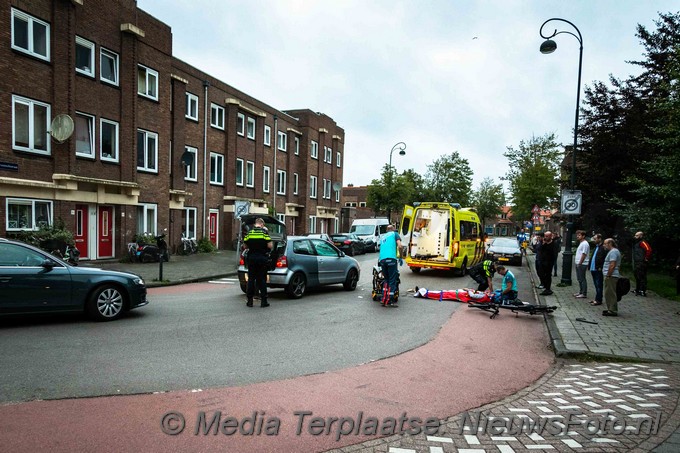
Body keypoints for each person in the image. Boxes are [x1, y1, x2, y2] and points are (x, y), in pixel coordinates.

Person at [243, 218, 273, 308]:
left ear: (255, 224)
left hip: (251, 258)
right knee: (262, 280)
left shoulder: (249, 233)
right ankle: (264, 301)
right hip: (262, 259)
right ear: (262, 224)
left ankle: (250, 301)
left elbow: (245, 246)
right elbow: (270, 246)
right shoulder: (264, 233)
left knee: (251, 279)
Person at [378, 224, 403, 307]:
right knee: (392, 280)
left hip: (382, 260)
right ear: (394, 229)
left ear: (386, 230)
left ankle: (383, 299)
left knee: (386, 279)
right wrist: (401, 257)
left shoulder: (383, 236)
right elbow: (400, 245)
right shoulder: (395, 234)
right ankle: (389, 300)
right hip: (391, 259)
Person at [602, 238, 622, 316]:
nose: (604, 245)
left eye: (605, 244)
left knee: (610, 293)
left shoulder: (613, 252)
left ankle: (612, 310)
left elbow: (612, 264)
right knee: (608, 292)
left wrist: (608, 274)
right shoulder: (613, 251)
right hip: (611, 275)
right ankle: (610, 308)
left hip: (611, 275)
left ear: (610, 243)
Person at [536, 231, 558, 296]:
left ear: (551, 236)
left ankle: (548, 289)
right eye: (545, 236)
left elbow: (554, 253)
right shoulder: (543, 243)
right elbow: (538, 249)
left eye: (547, 236)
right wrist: (543, 244)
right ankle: (545, 286)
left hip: (549, 262)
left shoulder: (554, 244)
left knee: (548, 275)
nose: (545, 238)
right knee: (541, 274)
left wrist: (552, 261)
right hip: (542, 261)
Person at [632, 231, 652, 296]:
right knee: (637, 276)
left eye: (637, 235)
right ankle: (637, 289)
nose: (635, 237)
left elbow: (648, 250)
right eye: (635, 235)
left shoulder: (643, 242)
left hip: (641, 262)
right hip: (637, 262)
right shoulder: (637, 243)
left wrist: (646, 258)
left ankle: (642, 290)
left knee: (642, 276)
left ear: (641, 236)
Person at [589, 234, 607, 306]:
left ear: (600, 239)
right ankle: (597, 298)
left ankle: (599, 300)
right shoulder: (596, 247)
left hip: (598, 269)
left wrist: (601, 267)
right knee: (596, 284)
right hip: (593, 268)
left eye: (595, 238)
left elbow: (604, 258)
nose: (594, 240)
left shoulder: (603, 248)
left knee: (599, 284)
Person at [574, 230, 590, 299]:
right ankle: (580, 291)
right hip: (578, 263)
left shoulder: (585, 244)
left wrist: (580, 262)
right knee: (579, 278)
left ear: (583, 236)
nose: (577, 236)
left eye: (579, 235)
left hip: (582, 263)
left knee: (582, 278)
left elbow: (584, 254)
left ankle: (584, 293)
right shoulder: (581, 243)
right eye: (577, 235)